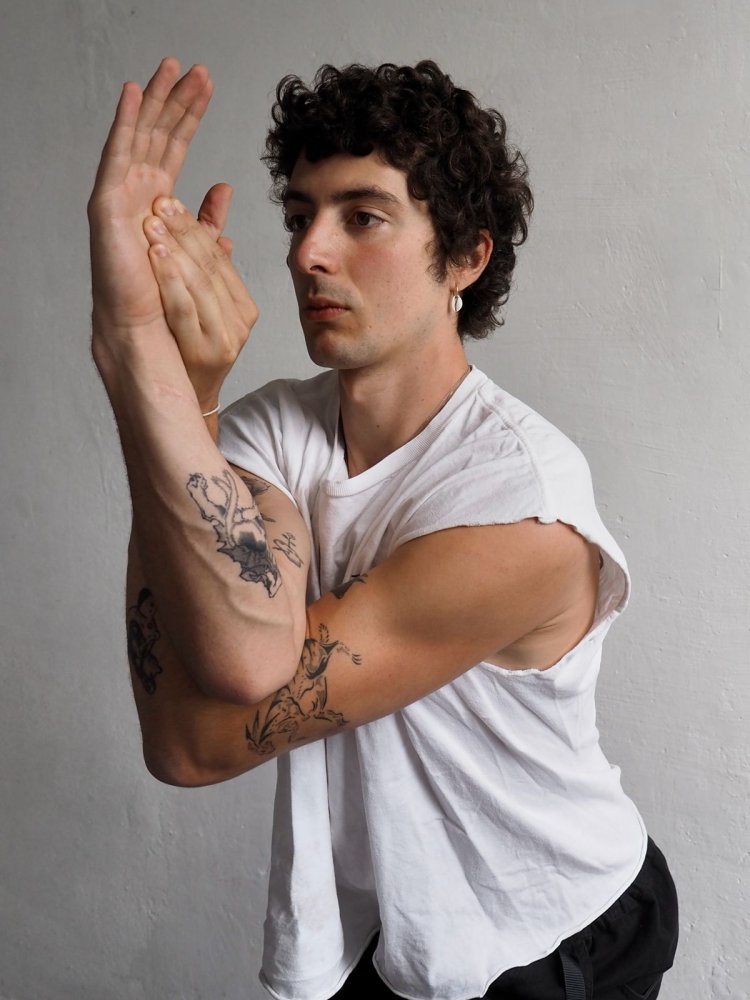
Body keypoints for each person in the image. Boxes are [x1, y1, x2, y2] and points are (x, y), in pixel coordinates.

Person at [88, 58, 678, 1000]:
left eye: (362, 217)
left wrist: (145, 371)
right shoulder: (274, 428)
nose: (307, 254)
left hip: (550, 937)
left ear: (466, 257)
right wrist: (164, 375)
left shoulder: (522, 508)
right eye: (299, 216)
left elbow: (198, 736)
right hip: (385, 934)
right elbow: (234, 659)